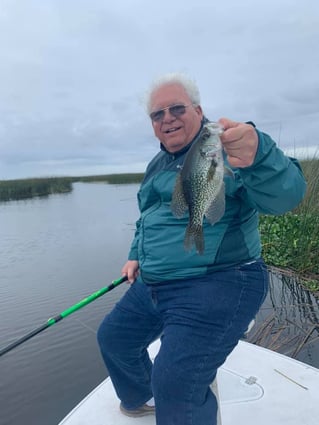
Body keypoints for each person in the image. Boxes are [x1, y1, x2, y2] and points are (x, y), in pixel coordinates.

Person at [97, 73, 306, 425]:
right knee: (113, 338)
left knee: (175, 381)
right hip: (154, 282)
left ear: (198, 110)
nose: (167, 118)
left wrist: (260, 155)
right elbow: (147, 216)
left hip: (219, 280)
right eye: (157, 114)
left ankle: (172, 402)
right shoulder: (157, 163)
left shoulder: (227, 149)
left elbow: (287, 196)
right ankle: (140, 399)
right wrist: (136, 254)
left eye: (176, 108)